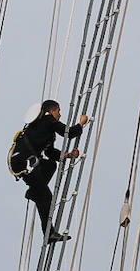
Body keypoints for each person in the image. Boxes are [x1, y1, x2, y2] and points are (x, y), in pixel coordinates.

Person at [9, 99, 89, 243]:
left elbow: (51, 153)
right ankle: (49, 234)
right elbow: (69, 133)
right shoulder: (48, 120)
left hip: (24, 162)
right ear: (51, 111)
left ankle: (34, 191)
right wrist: (82, 122)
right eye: (58, 111)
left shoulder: (44, 129)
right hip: (24, 162)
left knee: (51, 165)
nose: (60, 114)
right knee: (46, 197)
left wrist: (68, 155)